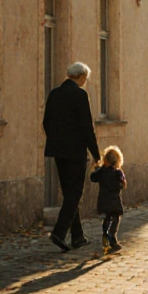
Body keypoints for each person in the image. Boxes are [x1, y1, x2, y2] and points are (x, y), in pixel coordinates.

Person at [43, 61, 101, 251]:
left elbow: (46, 122)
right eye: (86, 78)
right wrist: (96, 153)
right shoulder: (80, 95)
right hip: (75, 151)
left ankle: (78, 236)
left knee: (69, 193)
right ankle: (60, 232)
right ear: (82, 77)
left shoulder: (54, 94)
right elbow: (87, 127)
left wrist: (55, 139)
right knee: (75, 193)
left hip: (58, 151)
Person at [89, 145, 127, 253]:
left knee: (106, 218)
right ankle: (112, 235)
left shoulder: (102, 171)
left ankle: (105, 236)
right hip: (114, 200)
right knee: (116, 218)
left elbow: (93, 178)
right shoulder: (118, 172)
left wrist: (96, 168)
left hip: (103, 200)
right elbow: (123, 184)